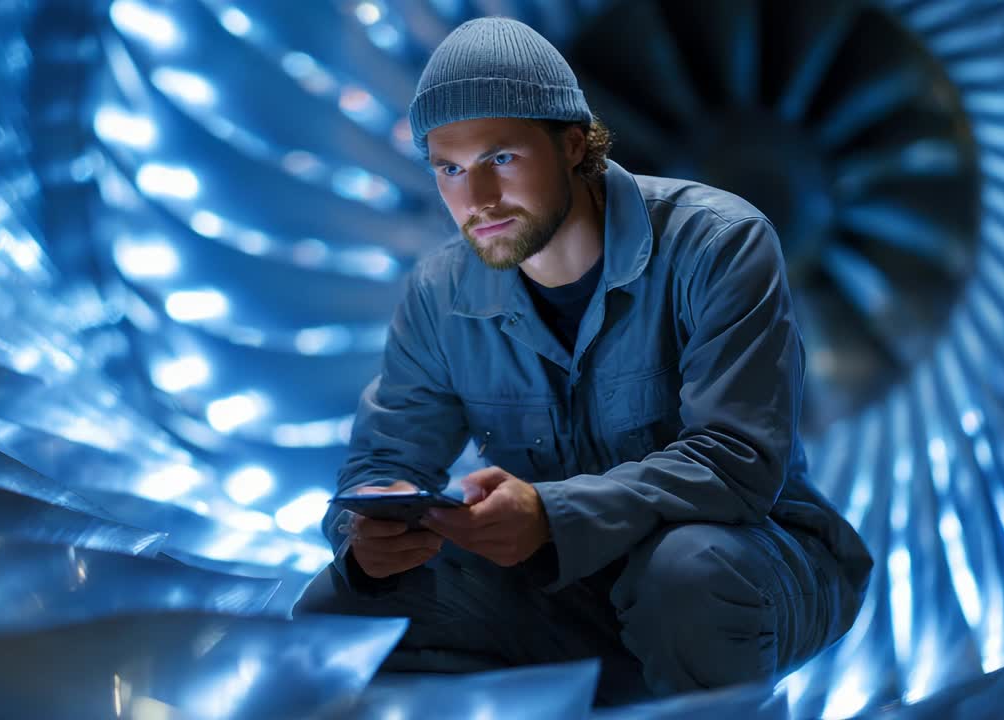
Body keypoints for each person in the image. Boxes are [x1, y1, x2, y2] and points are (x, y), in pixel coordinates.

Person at [293, 16, 873, 705]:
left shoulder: (720, 243)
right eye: (450, 169)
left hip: (754, 563)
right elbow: (382, 463)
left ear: (573, 144)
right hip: (563, 582)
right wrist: (367, 536)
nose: (475, 199)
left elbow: (737, 463)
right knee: (340, 608)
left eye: (500, 158)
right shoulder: (439, 292)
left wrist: (552, 514)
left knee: (686, 572)